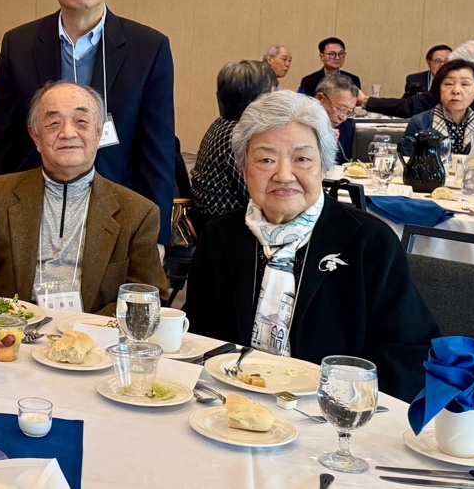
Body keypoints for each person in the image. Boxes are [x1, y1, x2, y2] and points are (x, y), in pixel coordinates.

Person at [186, 91, 439, 399]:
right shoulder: (221, 235)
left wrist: (345, 404)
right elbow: (196, 334)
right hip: (229, 403)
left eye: (302, 159)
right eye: (265, 160)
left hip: (329, 410)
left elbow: (406, 352)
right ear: (243, 168)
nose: (283, 175)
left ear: (324, 165)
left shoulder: (368, 242)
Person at [0, 0, 176, 244]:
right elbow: (3, 143)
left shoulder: (148, 47)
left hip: (117, 213)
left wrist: (155, 239)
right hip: (31, 211)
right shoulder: (18, 44)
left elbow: (158, 149)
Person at [0, 81, 167, 312]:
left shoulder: (137, 212)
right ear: (35, 136)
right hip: (13, 328)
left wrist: (85, 327)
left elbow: (147, 296)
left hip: (93, 331)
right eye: (54, 123)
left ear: (99, 132)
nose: (67, 133)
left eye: (81, 122)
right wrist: (7, 320)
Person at [189, 60, 277, 233]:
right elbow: (258, 195)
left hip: (211, 218)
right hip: (221, 226)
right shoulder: (237, 135)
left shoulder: (223, 123)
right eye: (273, 89)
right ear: (257, 97)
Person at [404, 59, 474, 160]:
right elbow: (407, 162)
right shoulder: (420, 123)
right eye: (449, 84)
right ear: (438, 89)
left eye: (465, 84)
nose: (456, 91)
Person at [315, 75, 359, 163]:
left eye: (348, 112)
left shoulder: (346, 128)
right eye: (341, 109)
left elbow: (346, 164)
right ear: (320, 99)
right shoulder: (300, 126)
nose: (343, 117)